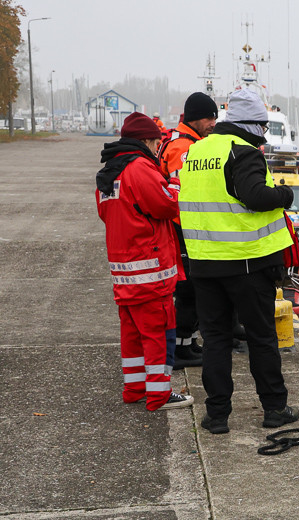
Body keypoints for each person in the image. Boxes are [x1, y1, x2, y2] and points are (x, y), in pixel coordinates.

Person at [178, 88, 298, 435]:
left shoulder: (197, 151)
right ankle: (274, 408)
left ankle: (217, 415)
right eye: (261, 126)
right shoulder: (243, 152)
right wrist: (285, 195)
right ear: (250, 125)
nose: (263, 133)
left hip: (204, 262)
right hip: (245, 263)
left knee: (215, 340)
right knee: (262, 338)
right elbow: (255, 196)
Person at [95, 112, 193, 411]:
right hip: (151, 270)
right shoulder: (140, 169)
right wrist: (175, 183)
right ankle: (159, 395)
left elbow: (105, 214)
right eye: (155, 142)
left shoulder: (110, 171)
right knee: (159, 334)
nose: (157, 149)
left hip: (123, 272)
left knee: (133, 335)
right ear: (147, 140)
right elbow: (166, 205)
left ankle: (135, 388)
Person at [157, 92, 219, 368]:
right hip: (183, 229)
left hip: (183, 228)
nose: (213, 123)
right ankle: (182, 346)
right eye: (209, 118)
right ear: (195, 118)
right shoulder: (184, 148)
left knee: (191, 288)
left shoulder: (184, 142)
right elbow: (182, 193)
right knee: (188, 289)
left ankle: (189, 341)